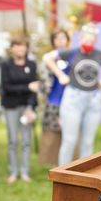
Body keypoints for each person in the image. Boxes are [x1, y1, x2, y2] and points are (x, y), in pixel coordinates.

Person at [44, 23, 101, 166]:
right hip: (73, 99)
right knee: (69, 140)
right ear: (80, 40)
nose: (89, 44)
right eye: (86, 41)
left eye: (92, 41)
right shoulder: (71, 52)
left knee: (87, 142)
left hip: (93, 100)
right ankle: (63, 176)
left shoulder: (99, 54)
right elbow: (47, 58)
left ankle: (84, 178)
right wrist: (60, 75)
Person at [0, 35, 39, 183]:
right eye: (17, 45)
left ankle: (24, 171)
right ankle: (13, 171)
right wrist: (26, 87)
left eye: (23, 46)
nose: (20, 49)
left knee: (26, 140)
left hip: (26, 107)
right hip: (11, 106)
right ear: (12, 48)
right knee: (12, 139)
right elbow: (6, 87)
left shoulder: (31, 64)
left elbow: (34, 88)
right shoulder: (5, 65)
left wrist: (30, 107)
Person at [39, 29, 70, 166]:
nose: (61, 40)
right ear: (53, 41)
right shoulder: (48, 58)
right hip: (53, 101)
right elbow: (43, 79)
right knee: (52, 133)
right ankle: (54, 165)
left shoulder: (72, 56)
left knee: (69, 134)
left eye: (63, 37)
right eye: (57, 38)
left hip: (70, 101)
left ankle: (71, 164)